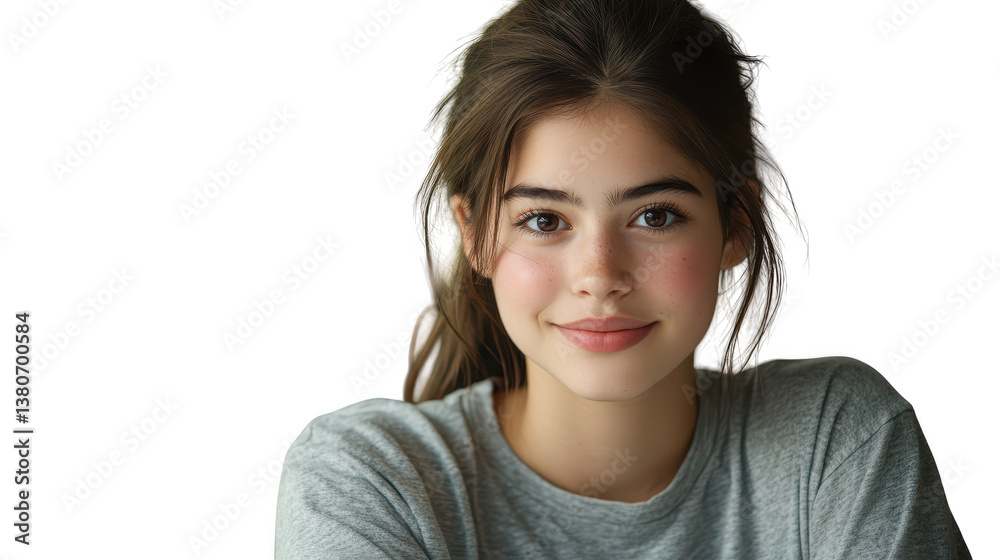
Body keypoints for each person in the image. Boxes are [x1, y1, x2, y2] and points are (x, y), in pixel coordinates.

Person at [275, 0, 972, 557]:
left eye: (655, 216)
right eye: (544, 220)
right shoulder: (366, 477)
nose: (600, 276)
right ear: (474, 233)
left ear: (735, 223)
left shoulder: (837, 439)